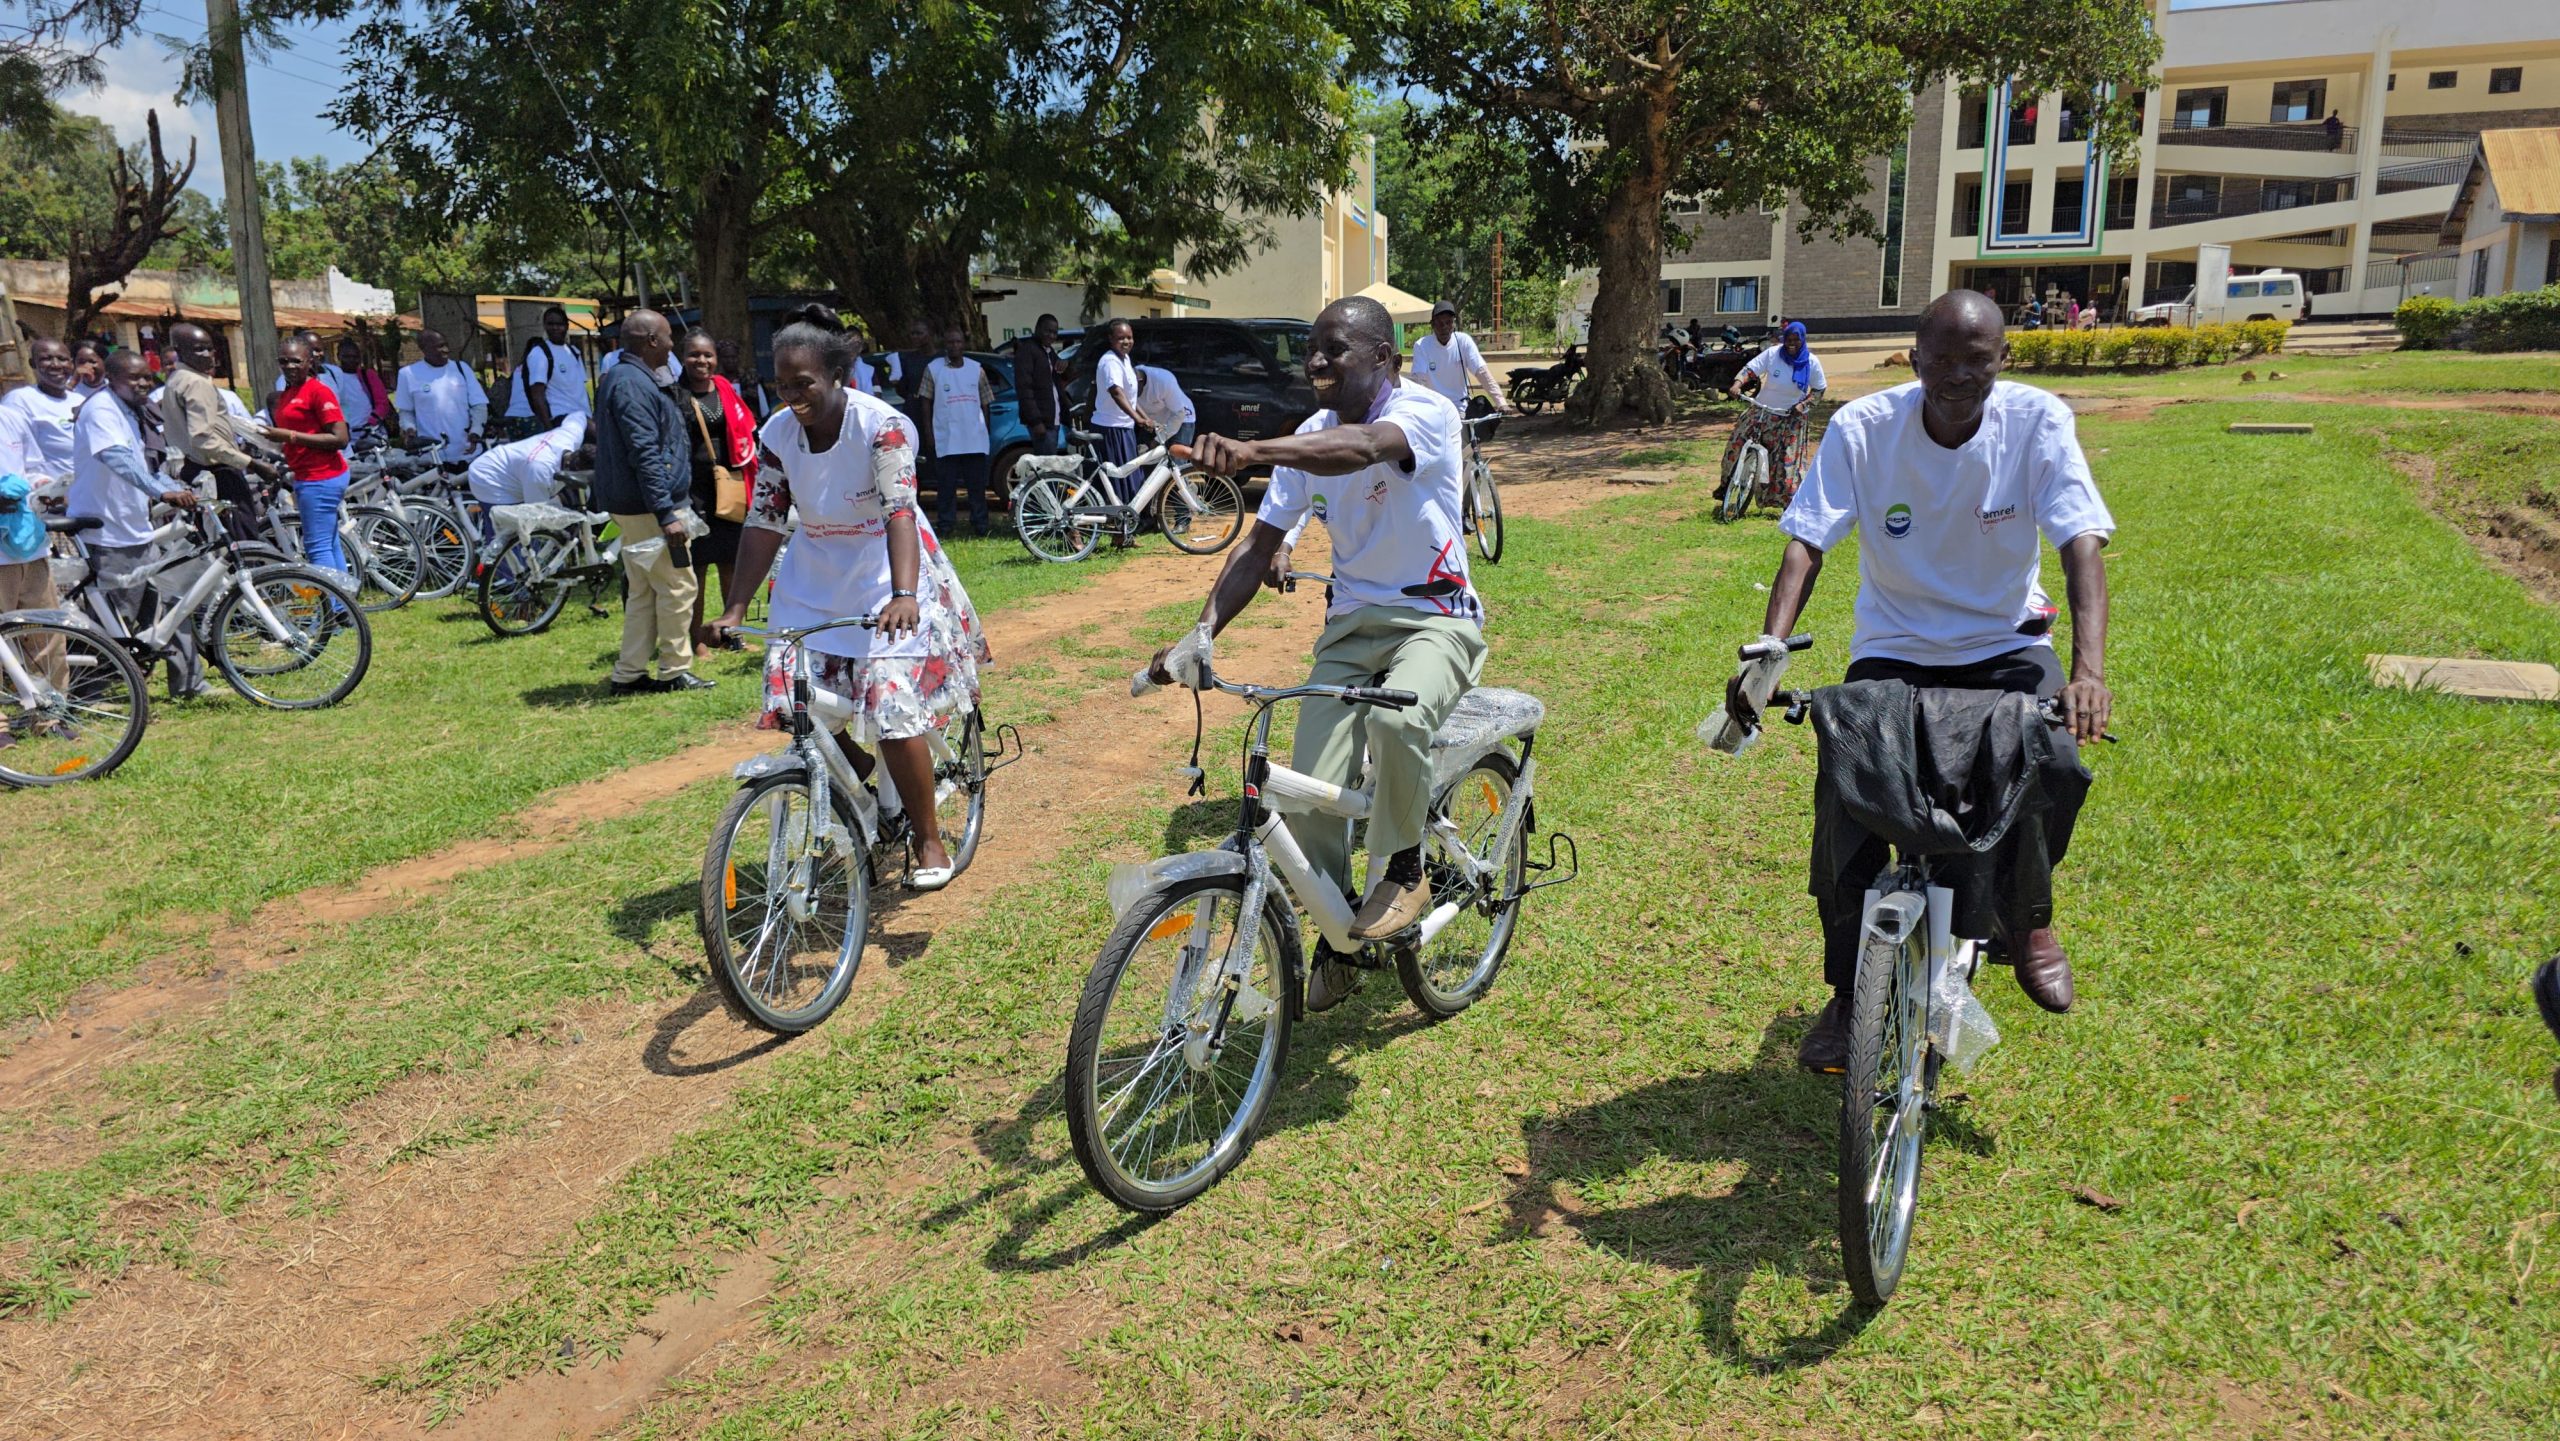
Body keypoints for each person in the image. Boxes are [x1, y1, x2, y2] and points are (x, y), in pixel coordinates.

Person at [1724, 289, 2114, 1072]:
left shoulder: (2037, 423)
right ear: (1915, 357)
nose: (1959, 377)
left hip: (2003, 639)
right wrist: (1768, 650)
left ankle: (2025, 916)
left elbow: (2080, 544)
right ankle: (1847, 994)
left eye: (1978, 362)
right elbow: (1806, 542)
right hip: (1895, 643)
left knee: (2051, 759)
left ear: (2003, 359)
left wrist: (2088, 673)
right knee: (1849, 796)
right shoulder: (1866, 430)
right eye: (1941, 361)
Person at [1144, 295, 1484, 1012]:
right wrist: (1201, 633)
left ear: (1384, 358)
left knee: (1397, 723)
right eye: (1313, 350)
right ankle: (1340, 939)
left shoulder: (1425, 412)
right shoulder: (1310, 434)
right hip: (1352, 626)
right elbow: (1260, 545)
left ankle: (1404, 865)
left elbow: (1362, 449)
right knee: (1311, 795)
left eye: (1336, 348)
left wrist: (1254, 450)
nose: (1318, 361)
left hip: (1435, 617)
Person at [711, 321, 991, 889]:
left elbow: (900, 513)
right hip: (814, 571)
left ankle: (927, 837)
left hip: (887, 566)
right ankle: (858, 772)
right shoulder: (778, 435)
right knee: (792, 695)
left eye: (804, 384)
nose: (791, 397)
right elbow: (765, 520)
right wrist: (735, 608)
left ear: (838, 378)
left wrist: (905, 595)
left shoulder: (881, 429)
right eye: (782, 385)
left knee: (889, 702)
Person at [69, 351, 207, 699]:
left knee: (171, 605)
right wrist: (165, 493)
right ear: (111, 379)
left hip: (134, 525)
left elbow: (143, 465)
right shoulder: (101, 409)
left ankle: (190, 683)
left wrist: (178, 487)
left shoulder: (131, 412)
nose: (144, 383)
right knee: (111, 619)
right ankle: (89, 692)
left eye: (148, 377)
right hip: (106, 530)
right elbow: (118, 460)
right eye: (135, 378)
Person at [589, 309, 709, 695]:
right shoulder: (632, 385)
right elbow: (645, 453)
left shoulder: (622, 378)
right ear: (652, 341)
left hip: (634, 504)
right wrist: (666, 512)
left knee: (643, 589)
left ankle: (629, 672)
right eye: (669, 337)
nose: (674, 345)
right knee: (677, 586)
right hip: (648, 507)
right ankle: (674, 670)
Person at [672, 327, 759, 648]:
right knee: (696, 570)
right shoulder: (675, 394)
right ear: (683, 357)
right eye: (694, 354)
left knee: (731, 566)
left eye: (708, 355)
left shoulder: (724, 389)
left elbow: (745, 427)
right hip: (694, 491)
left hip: (728, 486)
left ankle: (731, 636)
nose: (702, 360)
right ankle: (696, 640)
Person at [162, 322, 282, 543]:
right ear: (179, 351)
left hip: (193, 471)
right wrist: (252, 464)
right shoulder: (196, 383)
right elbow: (204, 439)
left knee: (218, 545)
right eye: (199, 349)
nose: (208, 355)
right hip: (219, 474)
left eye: (210, 348)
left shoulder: (176, 380)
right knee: (243, 546)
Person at [262, 337, 355, 577]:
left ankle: (333, 608)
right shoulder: (289, 391)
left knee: (317, 547)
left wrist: (290, 436)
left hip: (321, 477)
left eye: (296, 361)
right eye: (284, 361)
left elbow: (340, 439)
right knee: (330, 542)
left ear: (309, 362)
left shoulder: (318, 391)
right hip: (306, 475)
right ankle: (343, 606)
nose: (290, 367)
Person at [1717, 320, 1827, 508]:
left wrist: (1803, 405)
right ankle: (1726, 485)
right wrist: (1737, 384)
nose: (1791, 344)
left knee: (1785, 464)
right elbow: (1750, 370)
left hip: (1789, 417)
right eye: (1788, 340)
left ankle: (1784, 503)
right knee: (1736, 444)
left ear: (1803, 340)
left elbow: (1819, 390)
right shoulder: (1773, 354)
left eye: (1796, 340)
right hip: (1761, 410)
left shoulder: (1811, 362)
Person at [927, 325, 997, 539]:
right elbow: (925, 402)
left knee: (976, 487)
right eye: (950, 342)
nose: (954, 346)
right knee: (946, 487)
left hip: (973, 438)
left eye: (958, 342)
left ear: (964, 344)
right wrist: (929, 434)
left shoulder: (976, 369)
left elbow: (986, 403)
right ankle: (946, 525)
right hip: (946, 438)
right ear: (944, 345)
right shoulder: (934, 368)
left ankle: (981, 524)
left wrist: (984, 430)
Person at [394, 327, 488, 462]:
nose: (446, 350)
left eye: (446, 345)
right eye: (439, 346)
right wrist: (409, 429)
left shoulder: (461, 368)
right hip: (431, 456)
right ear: (424, 349)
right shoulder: (407, 374)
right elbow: (406, 412)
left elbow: (479, 405)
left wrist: (476, 432)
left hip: (468, 453)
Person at [0, 337, 83, 483]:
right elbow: (13, 453)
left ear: (71, 364)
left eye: (62, 359)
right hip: (49, 496)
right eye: (46, 359)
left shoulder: (80, 401)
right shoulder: (20, 401)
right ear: (33, 363)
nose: (56, 365)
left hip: (89, 491)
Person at [465, 412, 587, 510]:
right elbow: (536, 513)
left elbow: (578, 416)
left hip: (515, 467)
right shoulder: (540, 470)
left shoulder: (570, 437)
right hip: (489, 478)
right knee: (519, 532)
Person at [1410, 300, 1512, 414]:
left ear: (1454, 324)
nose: (1444, 327)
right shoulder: (1422, 345)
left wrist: (1501, 402)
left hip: (1460, 409)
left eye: (1448, 322)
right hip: (1434, 409)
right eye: (1440, 323)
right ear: (1433, 325)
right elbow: (1419, 380)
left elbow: (1482, 372)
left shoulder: (1463, 341)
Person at [504, 305, 591, 436]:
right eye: (551, 324)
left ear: (567, 326)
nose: (555, 328)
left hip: (583, 416)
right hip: (561, 419)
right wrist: (550, 429)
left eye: (559, 324)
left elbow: (581, 389)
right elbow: (537, 395)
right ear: (544, 325)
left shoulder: (573, 352)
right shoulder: (540, 353)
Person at [1091, 319, 1142, 490]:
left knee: (1129, 479)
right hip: (1111, 429)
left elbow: (1130, 397)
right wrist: (1138, 419)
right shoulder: (1110, 362)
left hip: (1125, 427)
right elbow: (1117, 393)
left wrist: (1144, 418)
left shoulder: (1125, 358)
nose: (1126, 342)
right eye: (1121, 338)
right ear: (1110, 339)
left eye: (1130, 337)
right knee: (1117, 483)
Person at [1009, 314, 1067, 456]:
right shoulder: (1027, 351)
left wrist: (1064, 363)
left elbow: (1059, 379)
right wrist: (1035, 421)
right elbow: (1024, 389)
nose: (1051, 336)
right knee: (1046, 468)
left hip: (1053, 419)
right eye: (1048, 331)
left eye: (1055, 332)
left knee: (1051, 465)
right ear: (1037, 329)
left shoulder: (1049, 352)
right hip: (1042, 422)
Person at [1133, 362, 1196, 450]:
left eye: (1133, 390)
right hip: (1153, 421)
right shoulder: (1129, 377)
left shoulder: (1163, 380)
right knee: (1142, 458)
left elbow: (1179, 414)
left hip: (1181, 418)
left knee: (1176, 457)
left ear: (1140, 380)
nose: (1132, 393)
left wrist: (1158, 440)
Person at [338, 336, 391, 431]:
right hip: (346, 433)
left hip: (371, 430)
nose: (351, 360)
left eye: (355, 357)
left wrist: (373, 420)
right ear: (339, 356)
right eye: (347, 357)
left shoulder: (368, 375)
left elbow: (382, 402)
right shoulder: (333, 377)